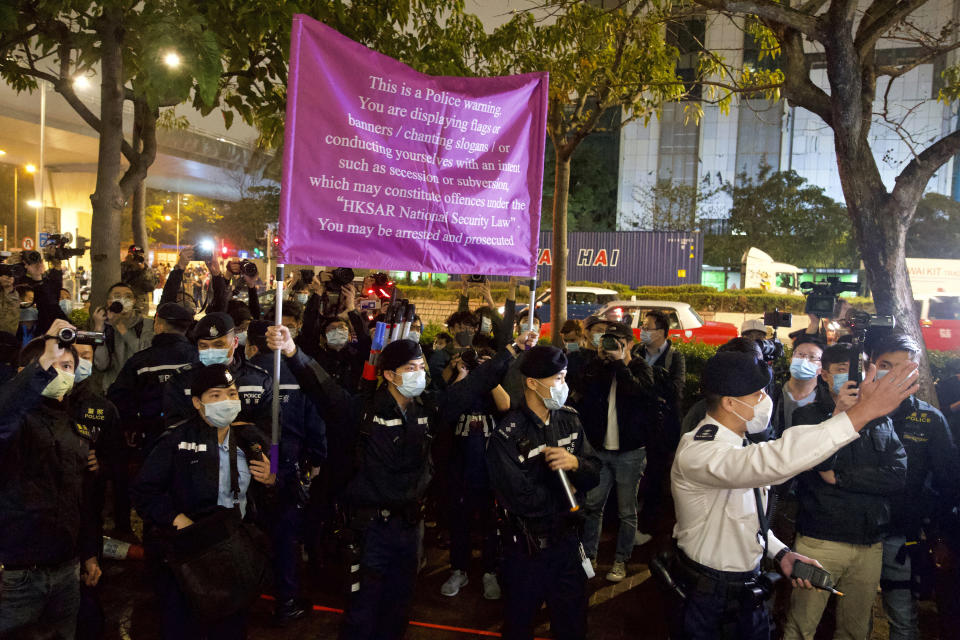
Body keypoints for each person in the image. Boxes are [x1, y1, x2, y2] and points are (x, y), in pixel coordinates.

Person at [265, 325, 533, 640]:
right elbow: (321, 387)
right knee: (362, 609)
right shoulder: (360, 411)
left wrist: (513, 349)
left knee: (399, 607)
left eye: (421, 367)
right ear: (390, 375)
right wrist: (293, 351)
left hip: (410, 529)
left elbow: (475, 385)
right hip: (368, 531)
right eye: (411, 368)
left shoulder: (430, 408)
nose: (419, 374)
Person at [669, 350, 920, 639]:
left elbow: (744, 516)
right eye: (758, 394)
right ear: (729, 403)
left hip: (745, 591)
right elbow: (777, 460)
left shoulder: (739, 444)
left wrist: (781, 553)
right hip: (709, 598)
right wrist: (861, 413)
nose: (765, 400)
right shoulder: (699, 452)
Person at [131, 364, 275, 640]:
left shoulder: (253, 438)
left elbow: (281, 473)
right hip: (191, 554)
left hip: (235, 551)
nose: (227, 402)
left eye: (232, 394)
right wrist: (177, 520)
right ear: (197, 403)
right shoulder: (176, 439)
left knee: (231, 627)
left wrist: (272, 479)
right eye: (216, 396)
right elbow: (144, 491)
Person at [783, 343, 907, 640]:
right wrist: (838, 416)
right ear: (824, 375)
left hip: (869, 543)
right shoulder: (809, 417)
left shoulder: (882, 420)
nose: (852, 377)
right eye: (841, 371)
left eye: (859, 370)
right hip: (820, 541)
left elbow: (897, 475)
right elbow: (817, 463)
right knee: (802, 626)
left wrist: (839, 478)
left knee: (855, 629)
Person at [486, 345, 601, 640]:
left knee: (573, 622)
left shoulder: (570, 419)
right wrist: (567, 490)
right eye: (557, 379)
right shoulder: (508, 434)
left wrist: (575, 464)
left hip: (567, 543)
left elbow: (594, 472)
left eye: (564, 377)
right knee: (519, 623)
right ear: (532, 383)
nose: (563, 385)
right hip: (527, 549)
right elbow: (518, 497)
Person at [0, 320, 102, 639]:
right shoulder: (16, 420)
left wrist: (88, 552)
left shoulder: (72, 424)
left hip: (65, 572)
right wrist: (44, 359)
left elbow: (78, 496)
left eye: (68, 365)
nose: (61, 371)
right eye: (51, 364)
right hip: (17, 577)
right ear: (25, 372)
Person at [236, 320, 327, 624]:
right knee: (285, 536)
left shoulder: (236, 377)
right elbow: (315, 422)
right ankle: (286, 600)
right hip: (284, 462)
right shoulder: (297, 374)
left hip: (240, 463)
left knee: (244, 531)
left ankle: (240, 596)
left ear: (250, 345)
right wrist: (315, 461)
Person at [872, 334, 960, 640]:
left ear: (916, 369)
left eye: (903, 366)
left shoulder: (930, 419)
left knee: (903, 620)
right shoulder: (854, 413)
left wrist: (933, 530)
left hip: (902, 538)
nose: (894, 373)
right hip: (851, 536)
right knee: (847, 618)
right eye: (886, 365)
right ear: (871, 365)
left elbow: (947, 482)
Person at [577, 321, 656, 582]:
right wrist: (601, 362)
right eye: (606, 340)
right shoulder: (600, 368)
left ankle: (621, 560)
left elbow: (637, 391)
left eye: (616, 340)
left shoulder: (639, 367)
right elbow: (584, 393)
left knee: (626, 510)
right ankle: (589, 556)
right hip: (600, 450)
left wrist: (621, 363)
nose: (609, 344)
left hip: (629, 452)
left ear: (629, 343)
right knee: (592, 505)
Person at [439, 347, 511, 600]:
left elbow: (505, 405)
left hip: (488, 460)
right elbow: (449, 405)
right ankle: (459, 569)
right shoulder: (460, 380)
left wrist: (487, 374)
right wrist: (463, 372)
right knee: (459, 518)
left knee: (491, 519)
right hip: (459, 460)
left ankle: (490, 571)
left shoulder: (495, 382)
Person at [633, 310, 686, 543]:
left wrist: (647, 377)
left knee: (655, 475)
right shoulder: (635, 351)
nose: (643, 331)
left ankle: (649, 526)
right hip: (635, 423)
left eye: (648, 327)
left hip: (662, 428)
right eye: (643, 326)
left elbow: (675, 390)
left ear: (662, 332)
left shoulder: (675, 357)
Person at [91, 282, 156, 393]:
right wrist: (98, 329)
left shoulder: (147, 324)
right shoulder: (104, 327)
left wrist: (120, 326)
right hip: (113, 391)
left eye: (128, 297)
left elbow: (144, 357)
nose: (123, 300)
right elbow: (101, 364)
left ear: (134, 301)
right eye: (117, 296)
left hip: (140, 392)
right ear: (109, 302)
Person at [770, 335, 826, 436]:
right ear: (791, 359)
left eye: (812, 357)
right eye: (799, 354)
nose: (804, 360)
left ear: (821, 367)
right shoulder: (772, 393)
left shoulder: (826, 400)